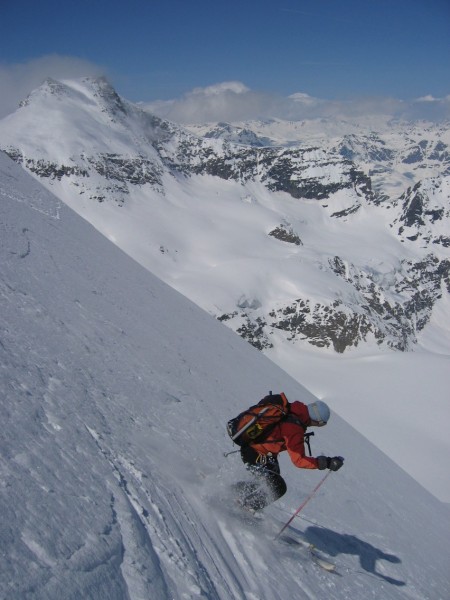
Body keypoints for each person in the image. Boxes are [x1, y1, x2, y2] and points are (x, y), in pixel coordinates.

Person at [234, 399, 344, 511]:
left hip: (253, 450)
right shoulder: (295, 427)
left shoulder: (292, 410)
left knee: (268, 481)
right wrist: (326, 463)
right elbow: (299, 460)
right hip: (256, 453)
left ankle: (234, 494)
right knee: (278, 487)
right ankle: (244, 508)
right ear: (318, 421)